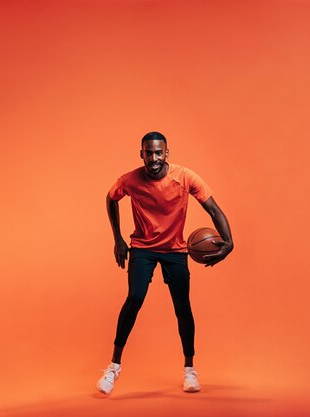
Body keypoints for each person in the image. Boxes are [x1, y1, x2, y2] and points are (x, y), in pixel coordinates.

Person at [97, 131, 234, 395]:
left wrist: (229, 242)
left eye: (159, 152)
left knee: (182, 307)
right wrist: (117, 239)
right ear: (142, 154)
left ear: (167, 153)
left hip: (175, 250)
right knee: (135, 298)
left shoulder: (185, 177)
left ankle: (189, 370)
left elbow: (213, 209)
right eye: (149, 153)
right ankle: (113, 367)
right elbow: (110, 199)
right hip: (143, 248)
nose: (154, 158)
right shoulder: (130, 180)